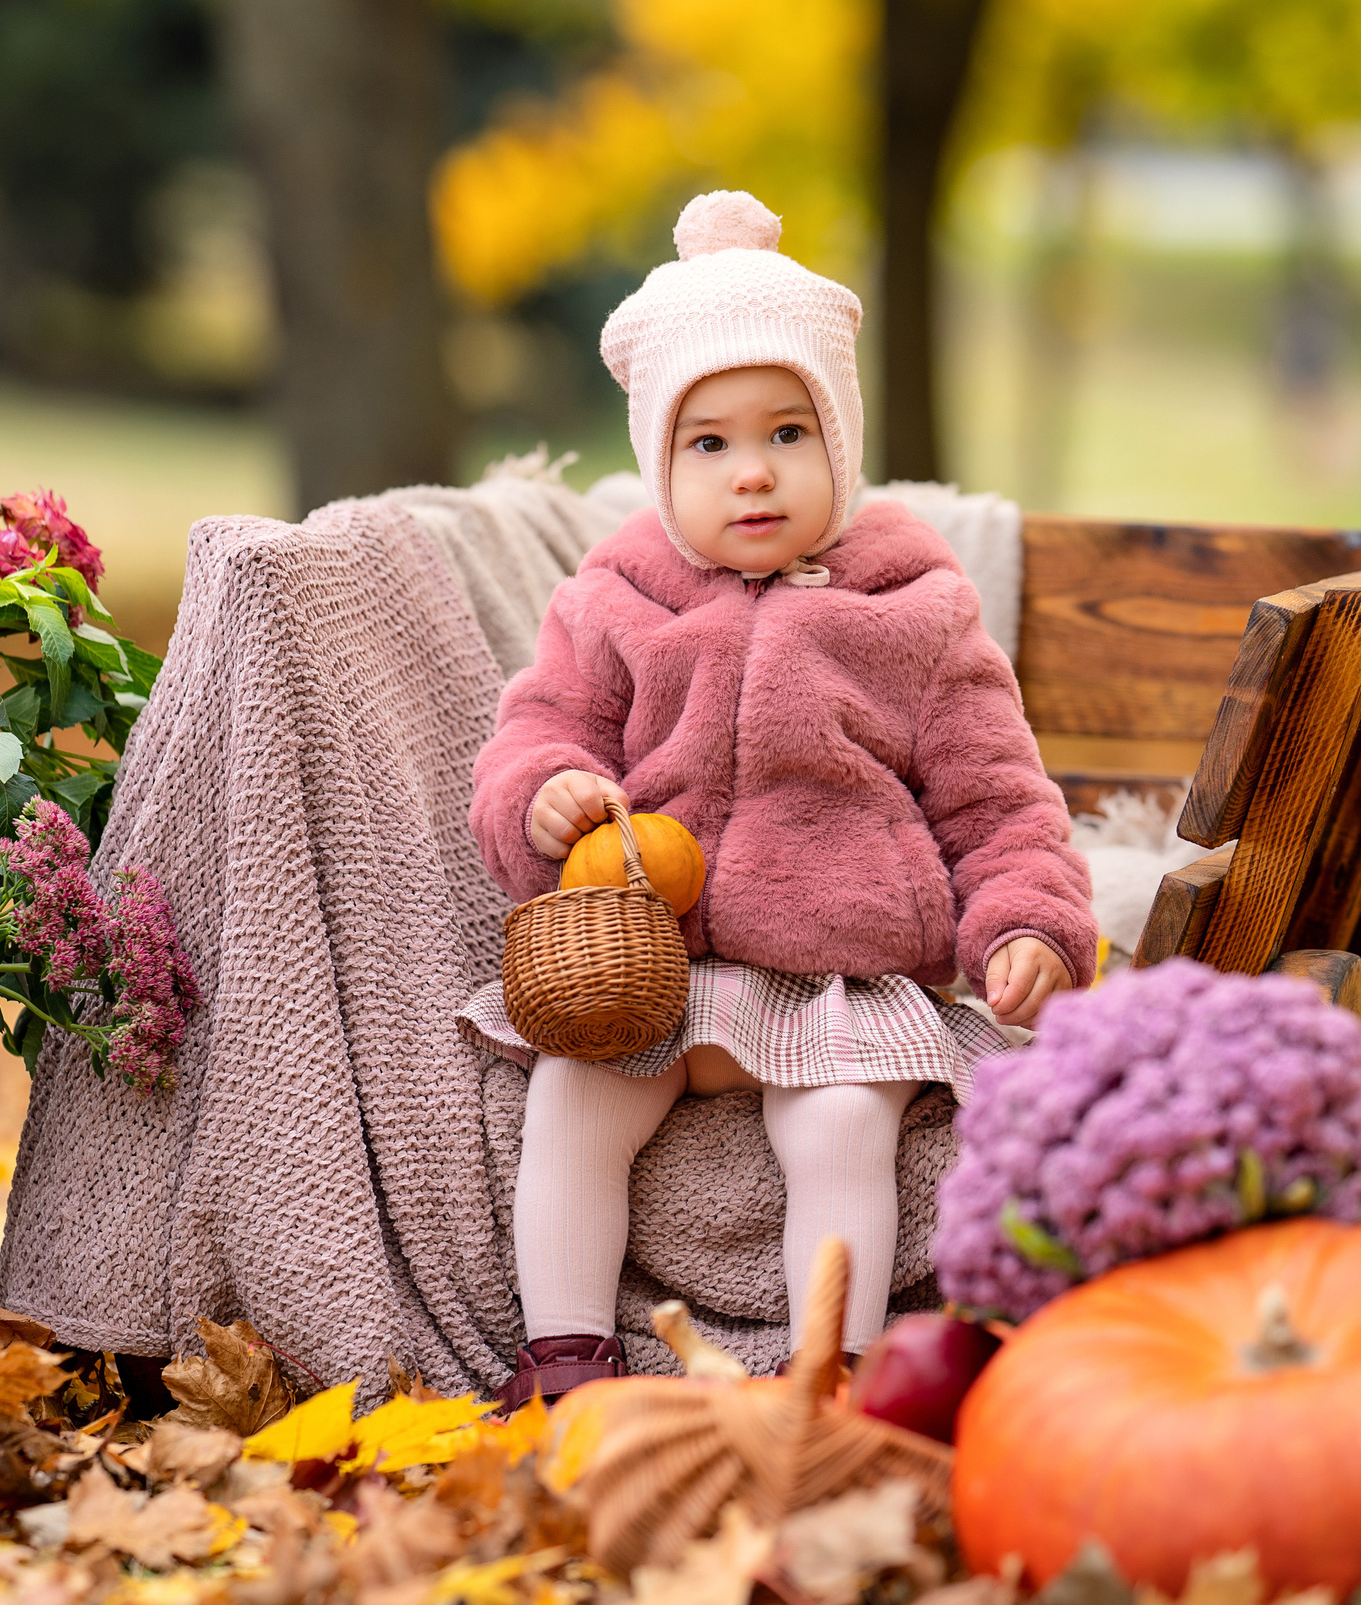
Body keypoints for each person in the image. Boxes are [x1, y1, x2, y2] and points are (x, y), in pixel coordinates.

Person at [459, 190, 1096, 1412]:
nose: (752, 472)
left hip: (837, 969)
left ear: (839, 441)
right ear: (658, 461)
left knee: (845, 1126)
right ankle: (566, 1361)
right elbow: (536, 729)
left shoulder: (914, 605)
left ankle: (829, 1384)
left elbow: (997, 796)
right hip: (653, 964)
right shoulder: (612, 598)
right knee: (573, 1099)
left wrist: (1025, 923)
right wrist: (545, 797)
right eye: (708, 444)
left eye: (788, 433)